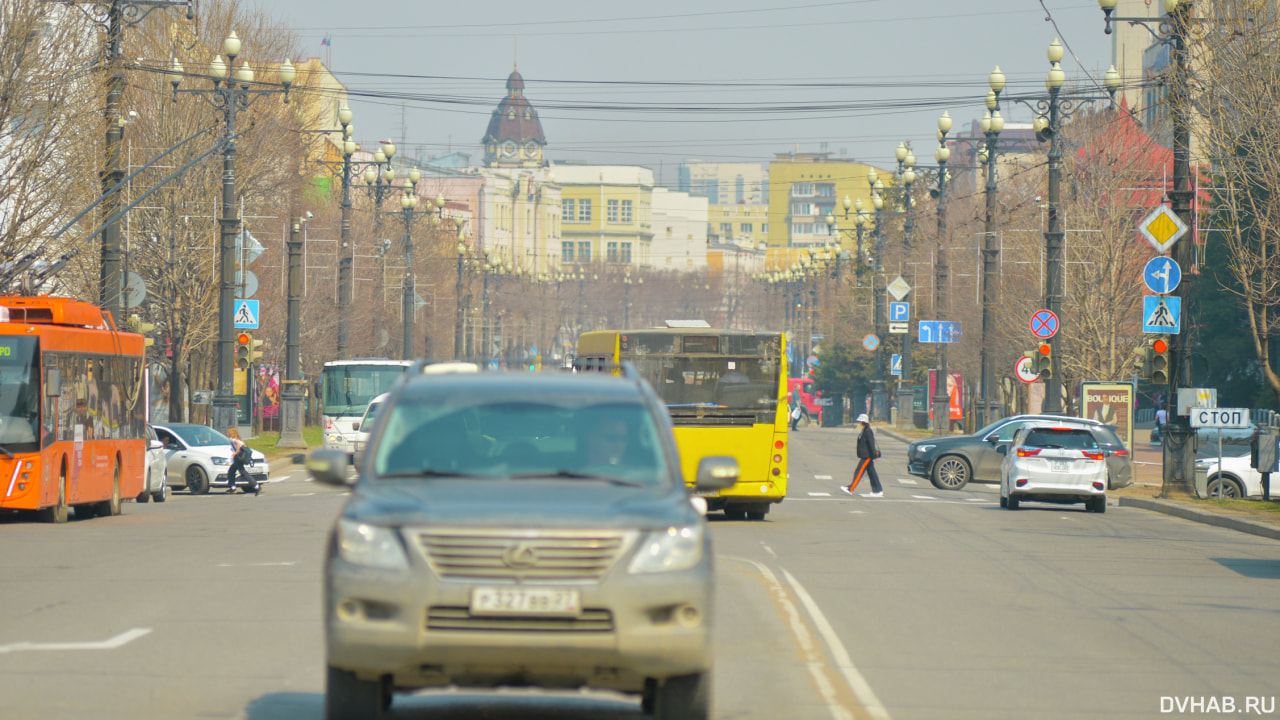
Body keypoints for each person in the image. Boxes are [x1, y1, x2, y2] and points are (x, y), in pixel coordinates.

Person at [842, 413, 883, 497]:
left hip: (867, 456)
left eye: (860, 421)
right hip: (865, 456)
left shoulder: (868, 431)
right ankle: (877, 490)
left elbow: (871, 444)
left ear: (864, 422)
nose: (859, 423)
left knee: (859, 472)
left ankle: (850, 489)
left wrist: (874, 456)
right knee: (872, 474)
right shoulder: (864, 430)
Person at [226, 427, 257, 495]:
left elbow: (238, 444)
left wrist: (235, 453)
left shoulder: (232, 439)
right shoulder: (239, 439)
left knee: (243, 472)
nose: (227, 434)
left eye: (228, 432)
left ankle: (256, 486)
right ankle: (232, 487)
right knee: (232, 471)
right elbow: (244, 446)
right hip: (240, 458)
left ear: (231, 433)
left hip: (237, 458)